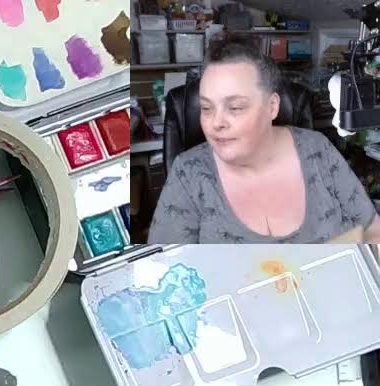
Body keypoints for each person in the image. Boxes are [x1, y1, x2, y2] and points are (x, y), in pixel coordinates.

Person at [149, 35, 380, 244]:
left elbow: (373, 229)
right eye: (206, 108)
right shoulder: (188, 172)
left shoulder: (318, 149)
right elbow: (167, 267)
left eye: (235, 107)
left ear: (272, 106)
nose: (215, 122)